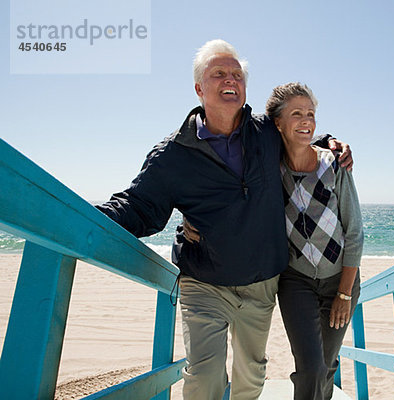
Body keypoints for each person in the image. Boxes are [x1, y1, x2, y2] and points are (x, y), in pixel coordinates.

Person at [96, 40, 352, 400]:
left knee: (250, 377)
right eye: (219, 73)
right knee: (204, 375)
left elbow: (299, 139)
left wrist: (331, 142)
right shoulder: (173, 154)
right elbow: (138, 206)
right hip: (204, 283)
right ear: (200, 88)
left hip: (261, 282)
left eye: (236, 74)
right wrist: (87, 219)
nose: (229, 79)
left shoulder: (265, 133)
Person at [266, 83, 363, 400]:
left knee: (327, 364)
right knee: (311, 367)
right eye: (297, 113)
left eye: (310, 113)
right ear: (278, 122)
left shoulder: (334, 164)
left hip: (341, 280)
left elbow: (354, 232)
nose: (306, 120)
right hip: (296, 280)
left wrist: (345, 294)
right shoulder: (270, 168)